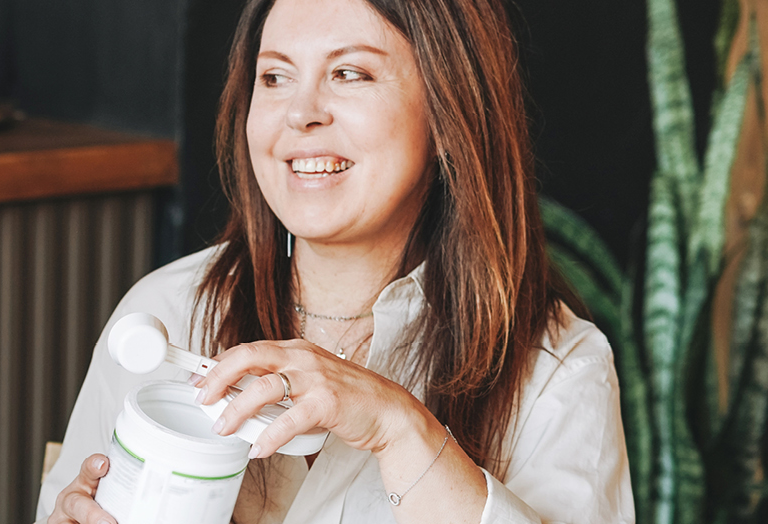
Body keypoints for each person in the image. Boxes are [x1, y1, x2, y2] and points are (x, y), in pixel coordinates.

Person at [37, 0, 632, 522]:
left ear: (450, 115)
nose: (301, 113)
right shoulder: (165, 310)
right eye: (274, 77)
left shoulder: (558, 370)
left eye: (350, 73)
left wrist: (397, 428)